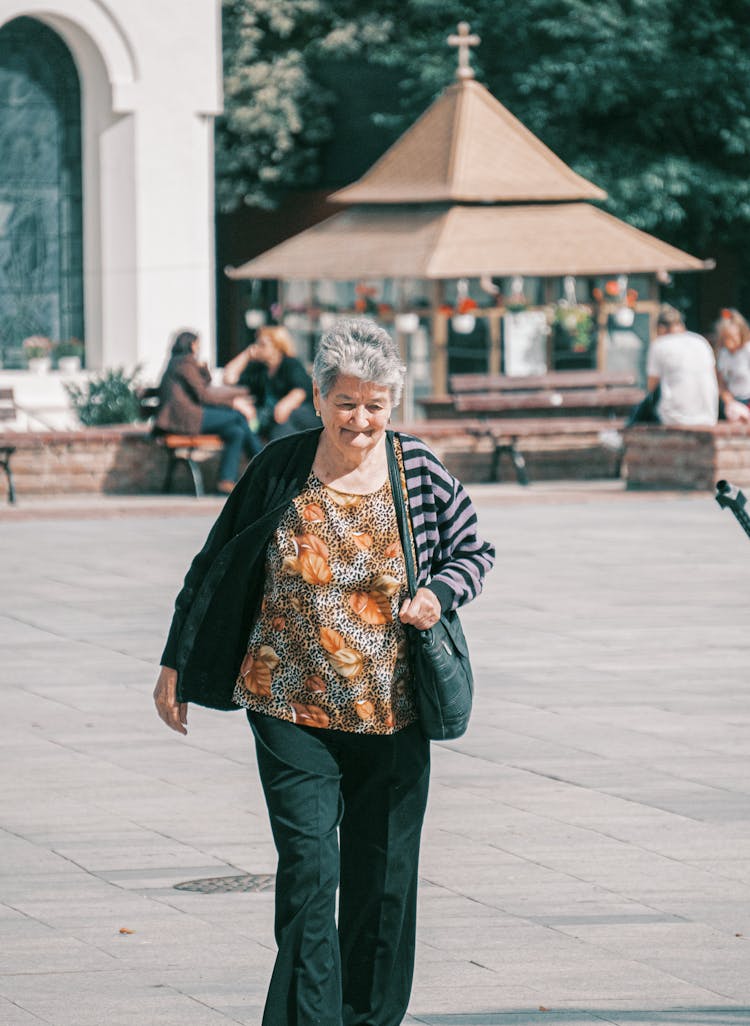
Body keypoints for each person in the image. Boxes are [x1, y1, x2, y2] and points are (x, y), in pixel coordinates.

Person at [153, 318, 495, 1026]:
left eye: (375, 404)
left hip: (392, 710)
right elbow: (214, 564)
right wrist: (175, 662)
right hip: (287, 703)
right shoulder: (279, 466)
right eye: (346, 402)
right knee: (309, 875)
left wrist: (437, 594)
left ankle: (368, 1018)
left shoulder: (418, 470)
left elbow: (473, 549)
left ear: (392, 405)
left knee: (384, 880)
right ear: (319, 399)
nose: (360, 419)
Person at [155, 329, 262, 494]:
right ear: (191, 345)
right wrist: (234, 403)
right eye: (198, 344)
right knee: (238, 417)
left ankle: (226, 480)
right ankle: (263, 462)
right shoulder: (184, 364)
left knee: (236, 432)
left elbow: (203, 387)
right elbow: (204, 396)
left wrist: (203, 368)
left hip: (188, 417)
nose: (199, 348)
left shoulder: (180, 363)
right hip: (185, 419)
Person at [222, 325, 319, 440]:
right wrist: (247, 354)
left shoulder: (290, 364)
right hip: (271, 420)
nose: (256, 347)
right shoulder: (260, 369)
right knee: (239, 428)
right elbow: (229, 378)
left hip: (296, 417)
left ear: (277, 347)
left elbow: (300, 390)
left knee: (279, 434)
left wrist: (283, 406)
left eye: (262, 344)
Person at [629, 304, 718, 426]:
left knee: (645, 404)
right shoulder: (701, 341)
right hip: (709, 415)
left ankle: (624, 433)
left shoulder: (659, 344)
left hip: (676, 417)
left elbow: (651, 387)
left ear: (660, 328)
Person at [715, 308, 750, 422]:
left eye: (733, 337)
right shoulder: (723, 353)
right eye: (726, 338)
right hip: (732, 401)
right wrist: (727, 399)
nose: (729, 342)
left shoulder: (747, 350)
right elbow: (721, 381)